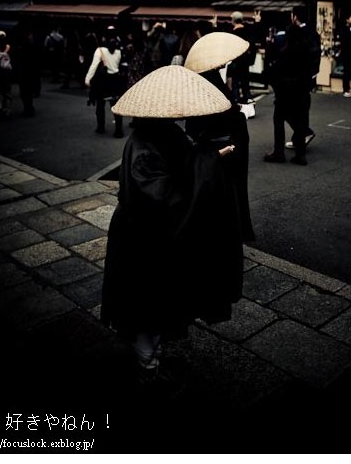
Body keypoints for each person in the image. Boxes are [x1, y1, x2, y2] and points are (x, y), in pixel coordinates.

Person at [101, 65, 243, 383]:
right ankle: (146, 358)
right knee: (146, 300)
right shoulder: (143, 150)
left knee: (156, 298)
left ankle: (149, 351)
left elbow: (185, 165)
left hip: (151, 234)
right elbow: (166, 198)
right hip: (141, 236)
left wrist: (209, 157)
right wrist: (209, 162)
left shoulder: (165, 134)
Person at [185, 31, 256, 243]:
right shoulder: (210, 80)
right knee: (227, 193)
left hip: (210, 142)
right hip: (222, 145)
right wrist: (238, 111)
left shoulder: (198, 80)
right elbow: (221, 110)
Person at [263, 8, 317, 166]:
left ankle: (278, 152)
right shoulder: (306, 51)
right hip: (302, 93)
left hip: (285, 94)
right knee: (300, 122)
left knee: (278, 121)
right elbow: (310, 71)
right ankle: (300, 155)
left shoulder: (284, 53)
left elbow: (275, 74)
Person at [85, 39, 125, 136]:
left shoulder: (100, 50)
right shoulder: (119, 52)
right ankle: (118, 130)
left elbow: (94, 66)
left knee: (100, 104)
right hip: (115, 80)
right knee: (116, 106)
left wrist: (87, 79)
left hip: (104, 81)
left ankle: (101, 127)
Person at [226, 10, 260, 104]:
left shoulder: (232, 33)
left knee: (235, 84)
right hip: (245, 61)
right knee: (245, 83)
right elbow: (254, 42)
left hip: (236, 61)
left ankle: (235, 102)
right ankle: (248, 101)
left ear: (233, 20)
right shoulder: (248, 31)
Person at [13, 27, 42, 117]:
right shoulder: (33, 46)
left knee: (25, 91)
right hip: (29, 71)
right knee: (26, 91)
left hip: (26, 71)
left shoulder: (25, 47)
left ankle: (28, 108)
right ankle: (28, 108)